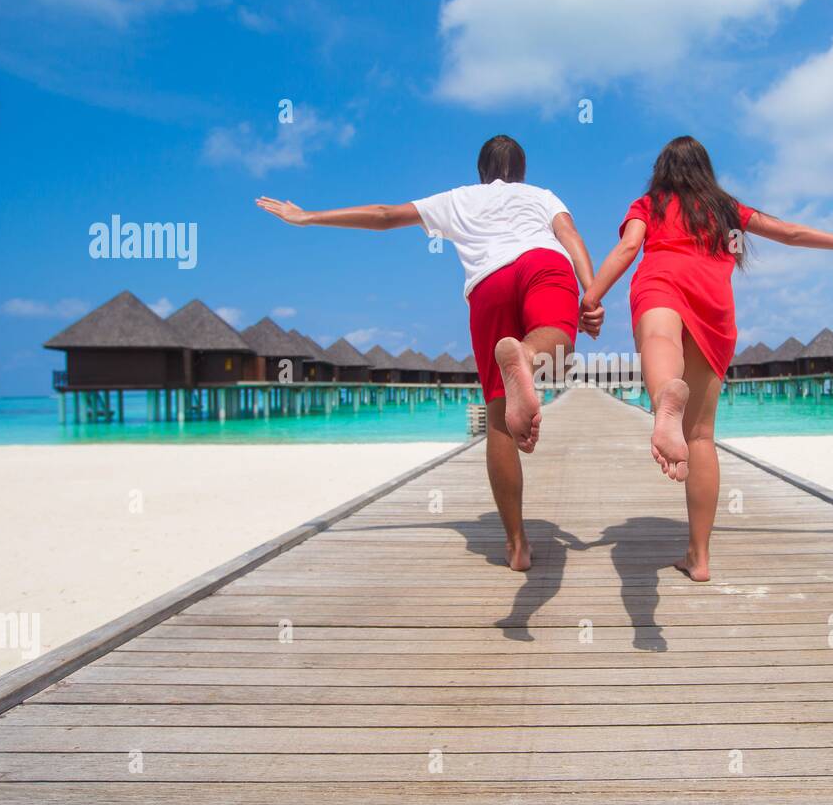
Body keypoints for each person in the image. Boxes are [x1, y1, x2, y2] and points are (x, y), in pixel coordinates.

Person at [256, 135, 602, 571]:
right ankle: (529, 359)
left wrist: (307, 216)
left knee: (498, 419)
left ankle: (517, 545)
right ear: (522, 170)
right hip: (543, 262)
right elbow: (570, 234)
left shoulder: (458, 199)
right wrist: (590, 293)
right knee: (558, 340)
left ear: (481, 172)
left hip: (489, 283)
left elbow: (384, 216)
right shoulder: (540, 195)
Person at [580, 136, 833, 582]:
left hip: (661, 280)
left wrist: (591, 299)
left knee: (660, 337)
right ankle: (698, 558)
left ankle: (663, 402)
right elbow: (791, 233)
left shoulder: (649, 205)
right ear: (705, 170)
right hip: (713, 305)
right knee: (699, 438)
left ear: (661, 171)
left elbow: (625, 250)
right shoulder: (724, 209)